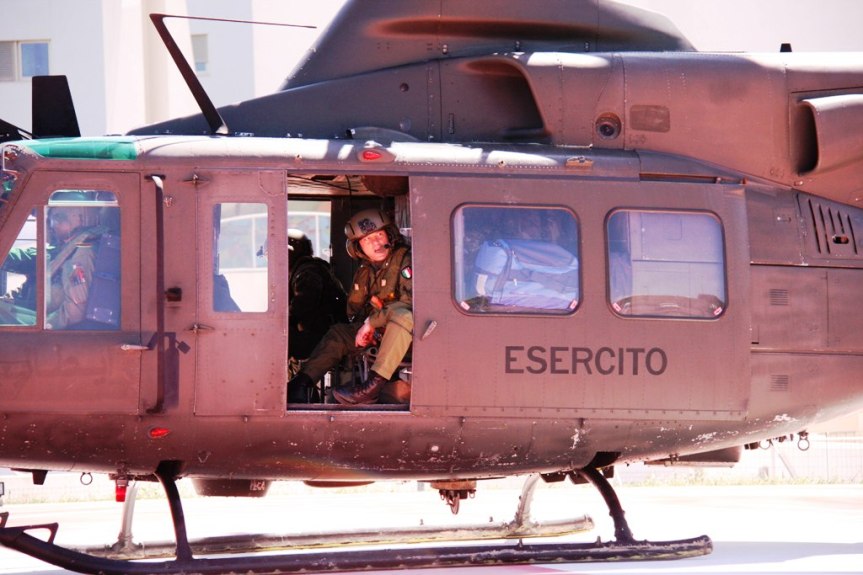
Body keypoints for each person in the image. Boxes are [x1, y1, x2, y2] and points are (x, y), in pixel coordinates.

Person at [287, 208, 413, 405]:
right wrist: (366, 327)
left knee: (402, 315)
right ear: (358, 248)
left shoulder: (406, 261)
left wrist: (372, 322)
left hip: (404, 334)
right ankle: (301, 385)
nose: (376, 243)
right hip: (376, 333)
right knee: (338, 333)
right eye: (367, 240)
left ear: (390, 235)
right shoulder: (366, 271)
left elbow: (409, 305)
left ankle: (371, 387)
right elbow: (354, 310)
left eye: (379, 235)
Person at [286, 228, 347, 378]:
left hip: (321, 338)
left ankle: (294, 389)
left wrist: (282, 322)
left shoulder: (307, 272)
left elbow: (303, 305)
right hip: (324, 334)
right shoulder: (311, 268)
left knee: (275, 339)